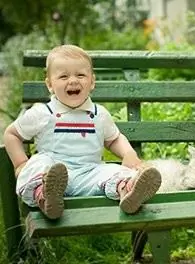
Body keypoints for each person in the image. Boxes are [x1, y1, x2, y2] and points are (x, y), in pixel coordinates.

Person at [3, 44, 162, 219]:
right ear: (49, 84)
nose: (73, 81)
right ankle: (46, 198)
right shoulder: (43, 113)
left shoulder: (98, 114)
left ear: (92, 81)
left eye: (80, 75)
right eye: (63, 76)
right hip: (51, 172)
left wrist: (129, 153)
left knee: (114, 172)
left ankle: (128, 191)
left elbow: (114, 139)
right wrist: (20, 164)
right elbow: (12, 134)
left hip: (89, 172)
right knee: (37, 166)